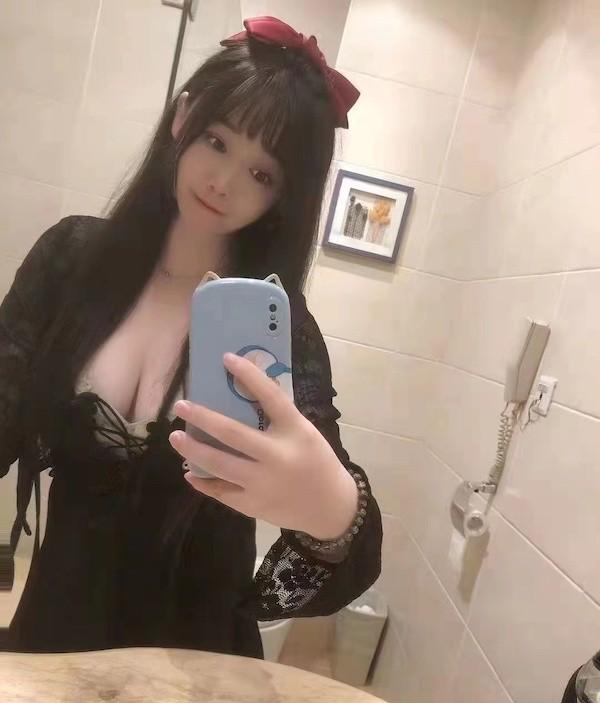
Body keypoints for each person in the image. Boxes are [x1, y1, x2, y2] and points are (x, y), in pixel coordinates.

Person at [0, 16, 383, 657]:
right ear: (183, 117)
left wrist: (333, 512)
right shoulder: (72, 259)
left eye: (263, 174)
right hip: (55, 642)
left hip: (199, 668)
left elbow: (350, 552)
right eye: (217, 140)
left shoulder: (279, 326)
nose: (223, 182)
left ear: (285, 197)